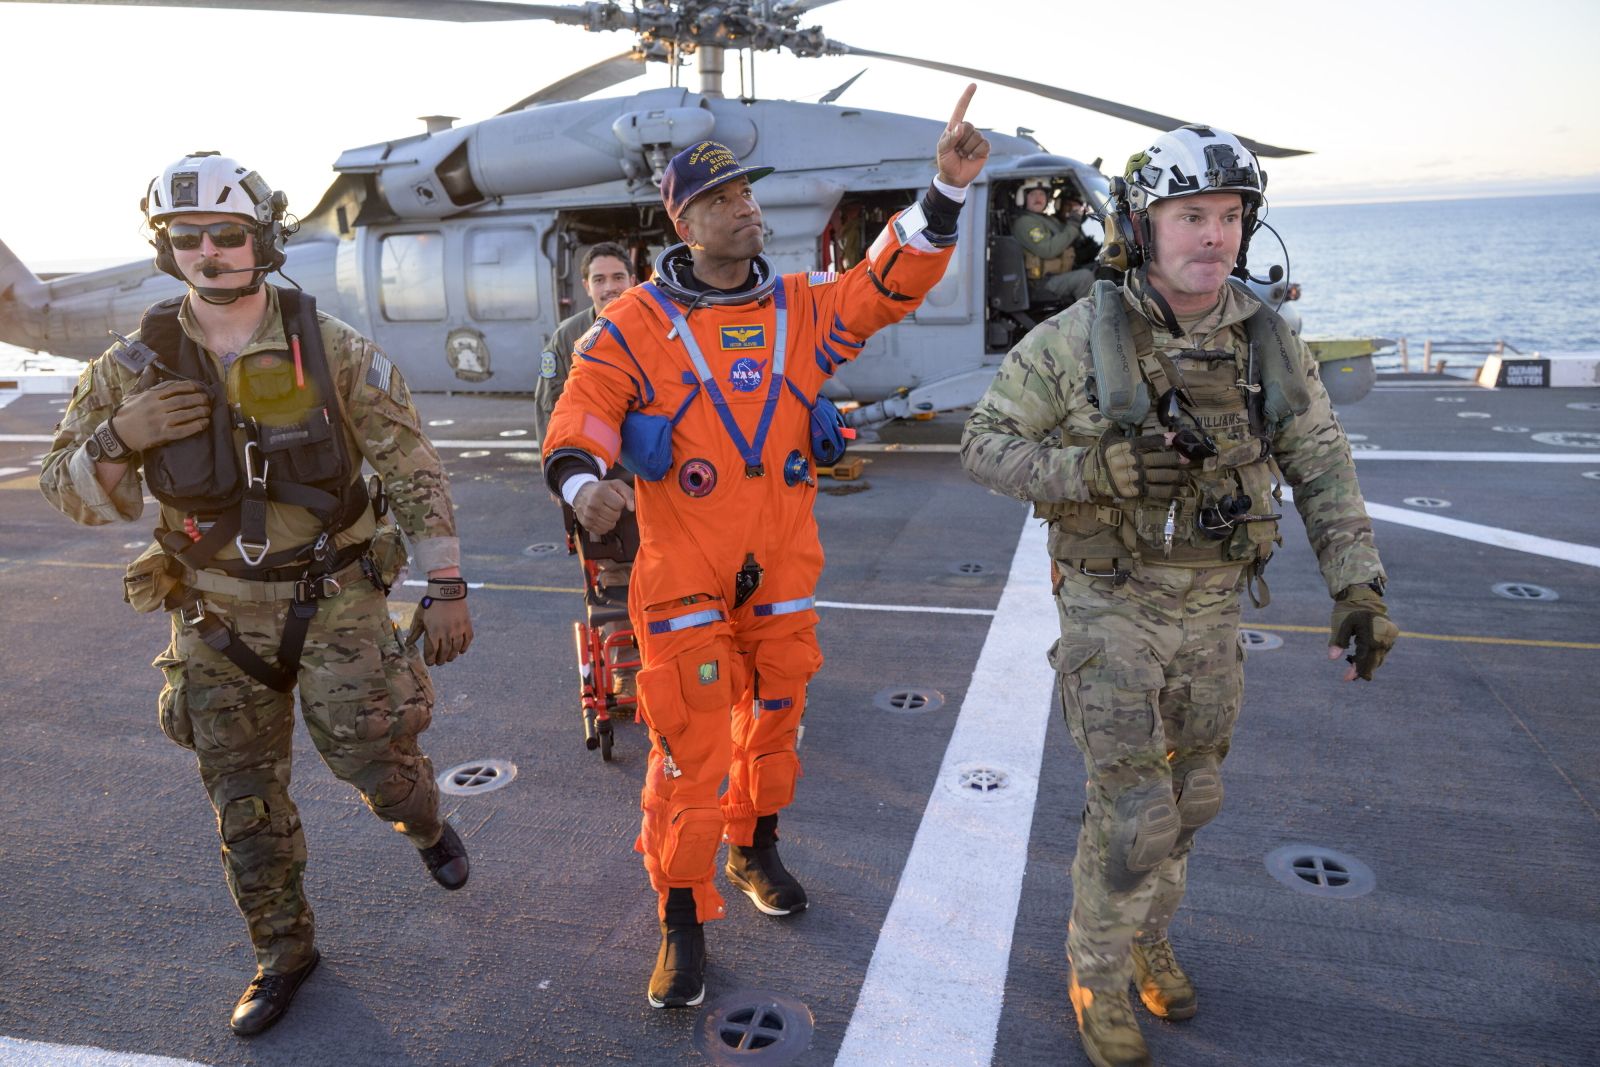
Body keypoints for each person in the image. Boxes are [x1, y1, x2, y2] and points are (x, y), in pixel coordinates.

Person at [542, 87, 990, 1009]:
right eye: (723, 199)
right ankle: (680, 916)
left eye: (748, 193)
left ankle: (754, 848)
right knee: (689, 748)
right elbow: (581, 413)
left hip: (781, 566)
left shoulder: (800, 308)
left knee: (776, 717)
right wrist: (586, 485)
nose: (746, 207)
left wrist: (944, 191)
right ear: (685, 223)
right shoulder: (636, 324)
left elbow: (885, 283)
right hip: (682, 572)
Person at [961, 125, 1397, 1067]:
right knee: (1135, 809)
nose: (1214, 235)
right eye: (1191, 215)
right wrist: (1092, 470)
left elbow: (1323, 465)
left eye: (1230, 216)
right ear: (1142, 225)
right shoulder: (1074, 340)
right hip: (1112, 602)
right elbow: (984, 444)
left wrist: (1358, 585)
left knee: (1192, 793)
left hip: (1213, 607)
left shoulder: (1267, 343)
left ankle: (1148, 937)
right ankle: (1097, 974)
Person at [38, 152, 476, 1038]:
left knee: (382, 769)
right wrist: (119, 436)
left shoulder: (332, 348)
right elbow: (65, 489)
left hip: (335, 597)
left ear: (262, 238)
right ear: (165, 248)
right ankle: (284, 951)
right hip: (213, 613)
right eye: (186, 237)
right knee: (243, 799)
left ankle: (426, 823)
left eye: (227, 234)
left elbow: (410, 464)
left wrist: (446, 582)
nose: (207, 252)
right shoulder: (129, 370)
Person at [533, 241, 637, 445]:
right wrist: (558, 462)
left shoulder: (656, 329)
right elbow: (548, 406)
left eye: (618, 277)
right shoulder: (566, 336)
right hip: (593, 455)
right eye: (599, 279)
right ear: (587, 286)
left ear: (632, 281)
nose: (610, 287)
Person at [1010, 177, 1097, 305]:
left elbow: (1067, 237)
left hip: (1058, 274)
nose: (1038, 198)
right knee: (1085, 278)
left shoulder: (1048, 219)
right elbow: (1048, 250)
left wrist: (1079, 217)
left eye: (1041, 194)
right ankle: (1092, 317)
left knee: (1101, 269)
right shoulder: (1024, 222)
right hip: (1042, 282)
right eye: (1033, 194)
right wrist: (1073, 225)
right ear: (1023, 198)